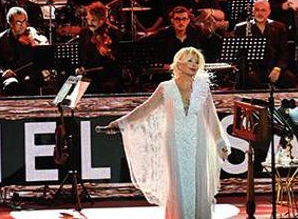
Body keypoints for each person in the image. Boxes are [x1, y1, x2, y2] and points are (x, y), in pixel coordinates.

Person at [98, 47, 231, 219]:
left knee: (198, 180)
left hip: (199, 142)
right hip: (174, 142)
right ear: (179, 63)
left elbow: (211, 117)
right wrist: (120, 122)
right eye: (190, 61)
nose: (194, 65)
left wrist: (220, 142)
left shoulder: (203, 88)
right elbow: (145, 109)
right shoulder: (165, 88)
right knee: (177, 183)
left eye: (197, 62)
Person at [233, 0, 294, 88]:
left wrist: (278, 68)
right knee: (250, 80)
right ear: (253, 12)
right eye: (257, 10)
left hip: (273, 67)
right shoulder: (241, 28)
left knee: (289, 78)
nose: (260, 13)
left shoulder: (279, 27)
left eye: (263, 10)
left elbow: (284, 52)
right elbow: (237, 54)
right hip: (252, 69)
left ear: (269, 12)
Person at [0, 6, 49, 96]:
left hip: (30, 73)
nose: (22, 25)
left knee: (28, 82)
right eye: (18, 22)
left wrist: (38, 45)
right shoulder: (1, 39)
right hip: (11, 75)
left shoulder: (32, 35)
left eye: (24, 21)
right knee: (11, 84)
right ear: (10, 23)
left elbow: (43, 50)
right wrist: (3, 72)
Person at [78, 2, 122, 93]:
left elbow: (117, 59)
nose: (90, 23)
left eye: (93, 20)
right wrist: (81, 67)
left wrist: (107, 51)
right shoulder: (84, 32)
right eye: (88, 19)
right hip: (88, 74)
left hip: (107, 75)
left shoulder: (112, 32)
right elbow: (81, 54)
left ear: (102, 20)